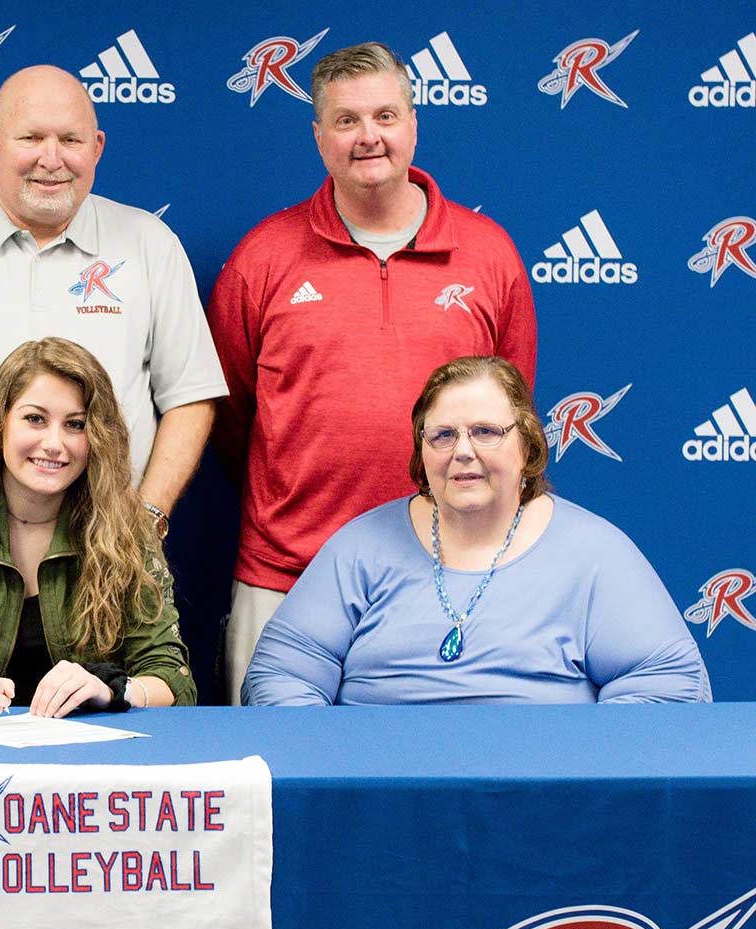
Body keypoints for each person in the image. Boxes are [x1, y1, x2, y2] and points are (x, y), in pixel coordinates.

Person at [208, 42, 537, 702]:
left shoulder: (488, 253)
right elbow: (230, 414)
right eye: (346, 120)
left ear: (413, 124)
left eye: (385, 116)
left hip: (448, 574)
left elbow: (512, 415)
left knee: (432, 785)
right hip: (285, 575)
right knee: (272, 785)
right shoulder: (263, 257)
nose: (369, 137)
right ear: (318, 135)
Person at [0, 65, 226, 539]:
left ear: (97, 148)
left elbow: (190, 397)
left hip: (111, 549)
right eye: (31, 138)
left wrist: (145, 521)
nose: (52, 158)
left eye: (71, 140)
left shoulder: (150, 243)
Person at [243, 356, 710, 706]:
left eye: (486, 432)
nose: (463, 451)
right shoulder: (360, 548)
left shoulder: (596, 554)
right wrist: (336, 768)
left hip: (544, 809)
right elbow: (281, 676)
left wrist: (580, 771)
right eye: (443, 435)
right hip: (376, 804)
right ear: (421, 451)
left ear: (527, 446)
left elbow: (669, 684)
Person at [0, 337, 196, 724]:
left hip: (90, 762)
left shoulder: (129, 526)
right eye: (35, 419)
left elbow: (173, 680)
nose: (54, 444)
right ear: (0, 421)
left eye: (75, 425)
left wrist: (114, 689)